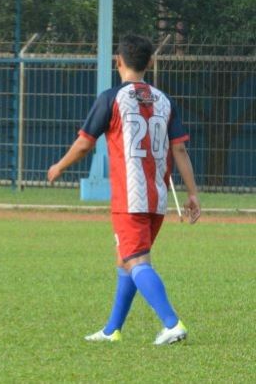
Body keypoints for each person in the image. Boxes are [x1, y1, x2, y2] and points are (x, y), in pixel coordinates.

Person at [47, 34, 200, 345]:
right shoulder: (164, 101)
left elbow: (84, 144)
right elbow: (180, 151)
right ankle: (111, 330)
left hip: (130, 197)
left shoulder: (111, 98)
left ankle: (172, 323)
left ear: (118, 61)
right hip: (157, 198)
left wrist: (59, 166)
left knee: (136, 261)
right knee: (126, 259)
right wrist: (193, 194)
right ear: (151, 63)